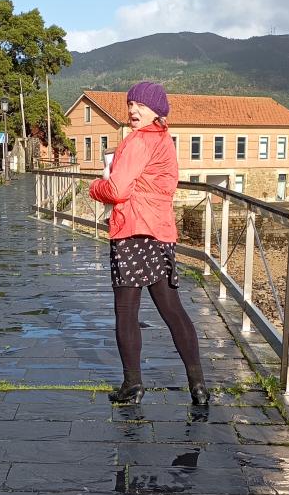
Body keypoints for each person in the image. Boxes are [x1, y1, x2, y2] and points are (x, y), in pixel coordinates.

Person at [89, 81, 209, 406]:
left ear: (157, 109)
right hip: (161, 235)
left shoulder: (137, 141)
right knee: (173, 311)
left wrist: (94, 186)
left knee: (126, 311)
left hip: (131, 234)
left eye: (140, 105)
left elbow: (117, 190)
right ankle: (198, 385)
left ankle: (132, 385)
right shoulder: (165, 141)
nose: (132, 110)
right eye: (130, 104)